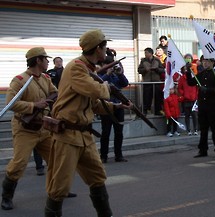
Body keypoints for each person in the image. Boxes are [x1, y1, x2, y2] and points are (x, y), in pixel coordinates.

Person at [44, 29, 133, 217]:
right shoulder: (76, 67)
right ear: (97, 49)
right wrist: (108, 87)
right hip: (67, 135)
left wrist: (117, 106)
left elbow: (93, 104)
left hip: (84, 135)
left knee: (98, 178)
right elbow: (96, 91)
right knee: (59, 186)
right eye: (104, 47)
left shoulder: (87, 70)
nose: (106, 51)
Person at [2, 47, 57, 210]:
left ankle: (56, 190)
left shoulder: (46, 78)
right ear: (38, 60)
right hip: (24, 129)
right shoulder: (19, 80)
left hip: (43, 127)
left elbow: (55, 94)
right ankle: (6, 196)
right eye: (45, 59)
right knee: (19, 163)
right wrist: (34, 105)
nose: (48, 61)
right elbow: (10, 104)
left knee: (55, 159)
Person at [186, 56, 215, 158]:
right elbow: (191, 83)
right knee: (203, 129)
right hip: (202, 106)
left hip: (213, 106)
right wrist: (188, 72)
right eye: (204, 61)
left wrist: (208, 90)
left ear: (213, 63)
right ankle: (202, 150)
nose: (206, 63)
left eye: (208, 61)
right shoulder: (201, 74)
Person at [98, 48, 129, 163]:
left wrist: (120, 74)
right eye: (109, 65)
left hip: (119, 105)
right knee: (105, 132)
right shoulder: (100, 74)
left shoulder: (116, 75)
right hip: (106, 106)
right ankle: (103, 156)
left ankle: (118, 155)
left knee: (119, 132)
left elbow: (125, 83)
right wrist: (107, 74)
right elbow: (98, 83)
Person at [138, 47, 164, 116]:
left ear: (150, 53)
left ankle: (157, 111)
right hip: (147, 82)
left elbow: (162, 70)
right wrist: (145, 70)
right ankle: (145, 110)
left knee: (158, 97)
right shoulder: (143, 61)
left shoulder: (157, 60)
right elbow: (139, 70)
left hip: (156, 82)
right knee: (146, 97)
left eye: (146, 53)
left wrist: (156, 69)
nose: (145, 54)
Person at [178, 55, 199, 136]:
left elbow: (197, 88)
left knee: (194, 115)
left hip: (194, 99)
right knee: (187, 115)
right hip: (186, 99)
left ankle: (196, 129)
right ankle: (188, 130)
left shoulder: (195, 78)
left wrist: (196, 96)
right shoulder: (182, 78)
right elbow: (180, 88)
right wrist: (183, 95)